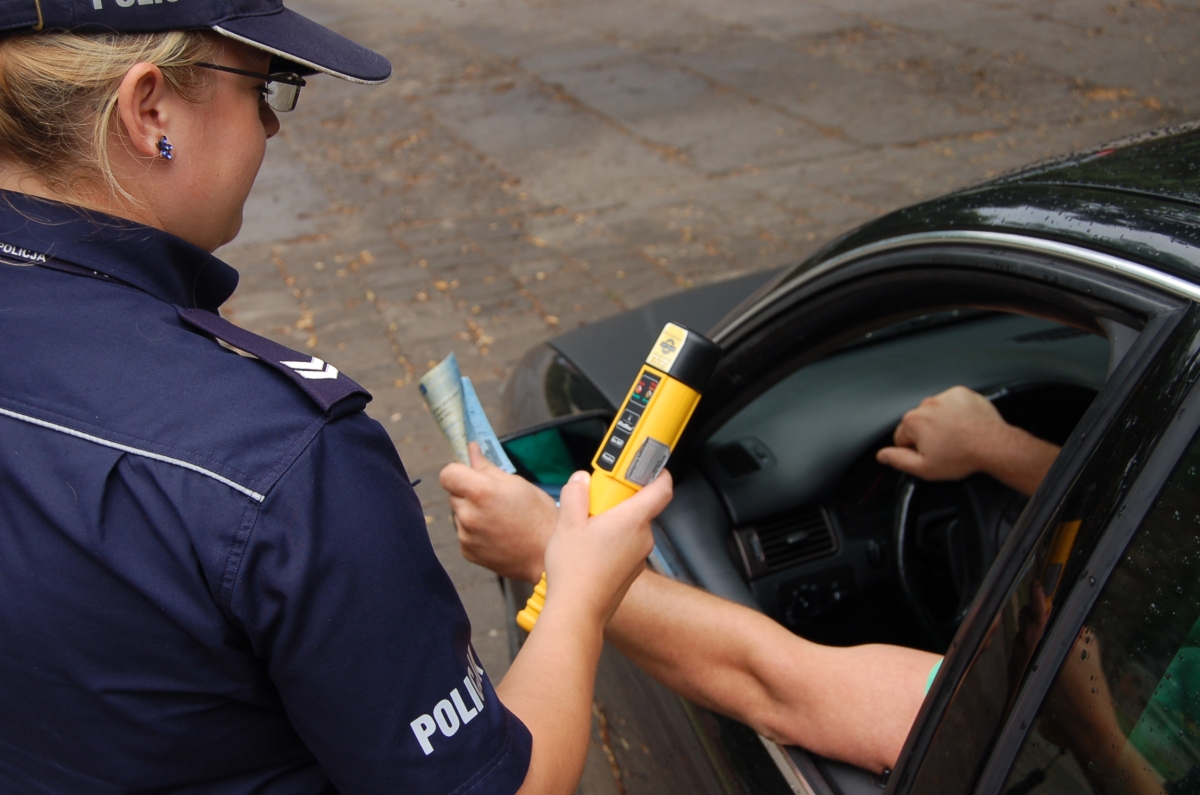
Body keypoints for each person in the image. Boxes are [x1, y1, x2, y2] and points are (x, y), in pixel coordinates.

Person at [0, 5, 670, 793]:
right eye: (264, 88)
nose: (273, 128)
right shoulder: (282, 460)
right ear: (151, 110)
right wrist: (580, 595)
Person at [442, 385, 1064, 774]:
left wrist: (549, 551)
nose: (1045, 605)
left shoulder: (1023, 715)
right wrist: (996, 446)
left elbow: (776, 683)